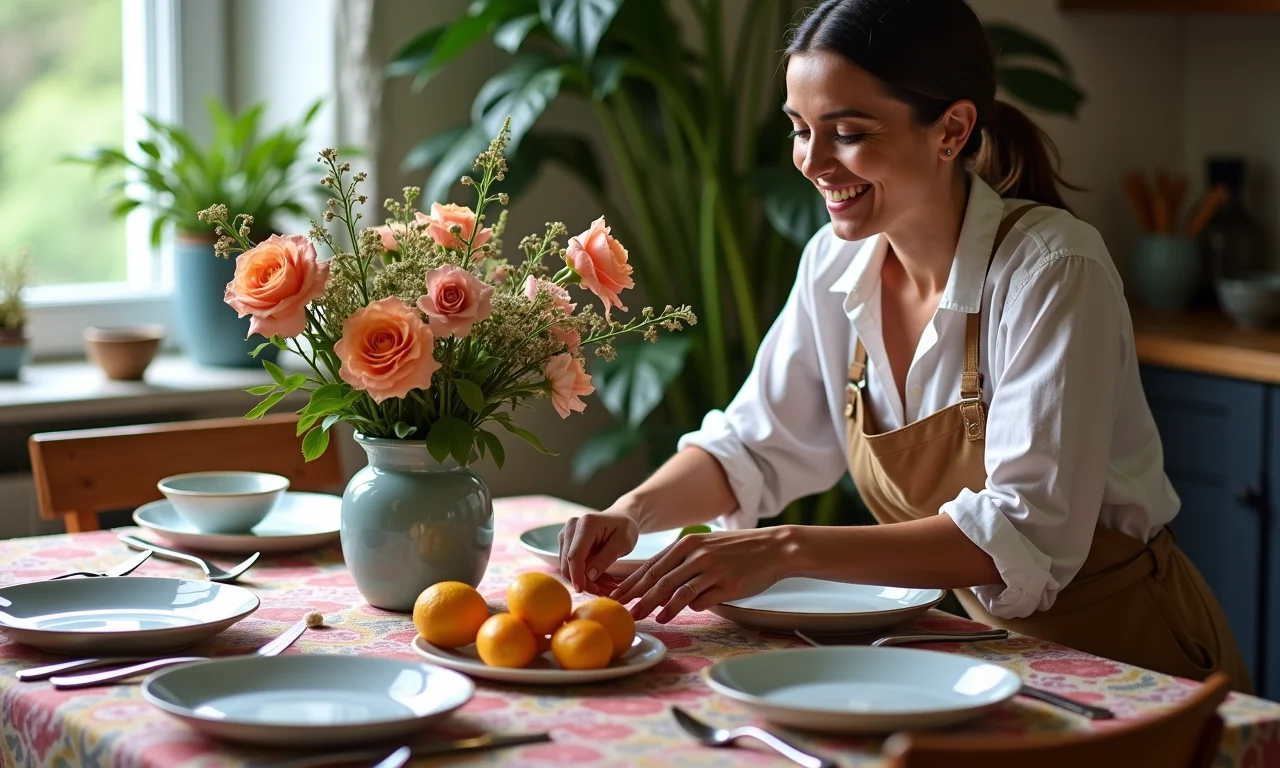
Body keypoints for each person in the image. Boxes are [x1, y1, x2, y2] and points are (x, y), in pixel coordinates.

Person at [557, 0, 1251, 692]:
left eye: (849, 133)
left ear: (951, 130)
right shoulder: (833, 265)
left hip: (1138, 663)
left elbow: (1024, 527)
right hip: (991, 660)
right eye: (800, 129)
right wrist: (630, 514)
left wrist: (786, 549)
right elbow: (755, 444)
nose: (813, 162)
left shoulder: (1052, 270)